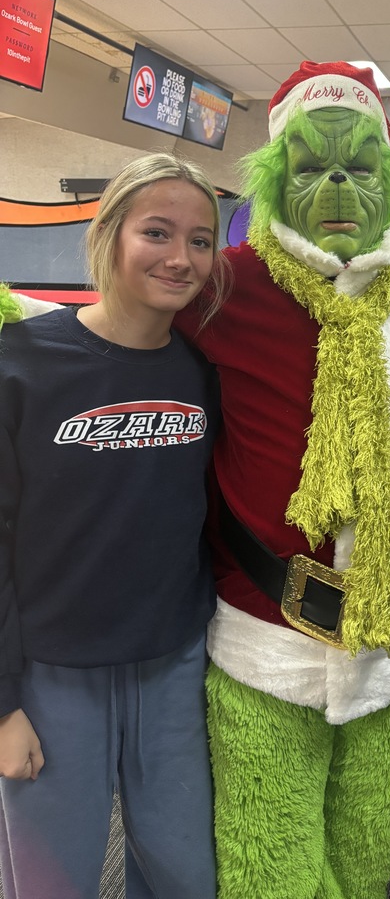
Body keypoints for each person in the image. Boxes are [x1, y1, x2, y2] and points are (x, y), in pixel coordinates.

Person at [174, 60, 390, 899]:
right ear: (273, 178)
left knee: (369, 857)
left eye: (358, 165)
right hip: (267, 635)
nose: (336, 185)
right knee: (270, 866)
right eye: (309, 166)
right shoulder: (225, 288)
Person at [0, 153, 229, 898]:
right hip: (51, 677)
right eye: (157, 232)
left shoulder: (201, 371)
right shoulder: (23, 364)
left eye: (200, 240)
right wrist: (2, 706)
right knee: (52, 881)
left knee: (184, 876)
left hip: (171, 665)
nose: (180, 257)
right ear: (109, 233)